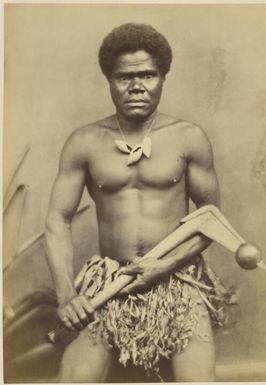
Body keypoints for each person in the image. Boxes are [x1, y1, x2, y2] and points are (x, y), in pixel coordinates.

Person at [45, 23, 231, 382]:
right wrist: (68, 295)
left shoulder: (188, 138)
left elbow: (211, 220)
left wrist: (166, 265)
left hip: (179, 282)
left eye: (147, 75)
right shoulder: (85, 142)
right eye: (123, 77)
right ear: (109, 81)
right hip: (109, 284)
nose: (136, 87)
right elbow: (56, 221)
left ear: (163, 77)